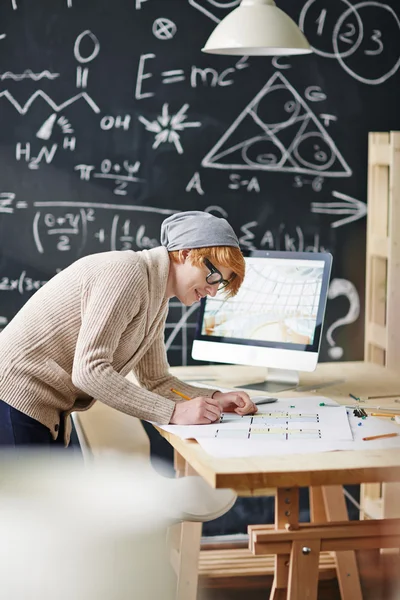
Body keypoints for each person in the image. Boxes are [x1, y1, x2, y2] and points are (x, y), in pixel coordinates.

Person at [0, 211, 257, 449]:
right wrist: (174, 412)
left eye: (220, 284)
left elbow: (156, 381)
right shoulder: (128, 273)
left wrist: (214, 397)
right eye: (212, 277)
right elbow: (89, 372)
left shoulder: (156, 299)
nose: (213, 290)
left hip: (40, 405)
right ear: (186, 253)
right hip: (16, 395)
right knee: (28, 499)